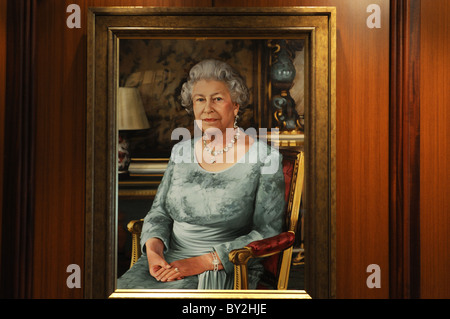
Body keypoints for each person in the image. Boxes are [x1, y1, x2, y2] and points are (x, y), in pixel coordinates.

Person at [117, 59, 285, 290]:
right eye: (200, 99)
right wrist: (154, 254)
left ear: (235, 105)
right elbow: (160, 212)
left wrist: (204, 262)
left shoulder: (265, 157)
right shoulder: (181, 151)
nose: (207, 108)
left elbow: (268, 230)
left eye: (217, 99)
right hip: (167, 261)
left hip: (226, 266)